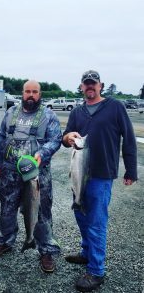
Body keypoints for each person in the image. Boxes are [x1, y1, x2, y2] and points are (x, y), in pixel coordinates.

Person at [62, 70, 138, 292]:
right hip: (79, 174)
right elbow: (66, 138)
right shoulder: (77, 112)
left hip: (101, 175)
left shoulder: (115, 107)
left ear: (100, 85)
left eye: (93, 84)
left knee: (96, 222)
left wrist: (131, 170)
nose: (90, 87)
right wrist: (67, 138)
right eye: (86, 84)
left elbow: (129, 138)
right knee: (80, 214)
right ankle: (87, 253)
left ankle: (96, 271)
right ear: (81, 87)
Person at [0, 80, 62, 273]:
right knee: (7, 206)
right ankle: (4, 240)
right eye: (27, 91)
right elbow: (2, 137)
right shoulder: (11, 113)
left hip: (37, 173)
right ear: (22, 93)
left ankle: (45, 249)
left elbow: (55, 140)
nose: (30, 95)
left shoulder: (49, 115)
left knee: (42, 211)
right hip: (10, 172)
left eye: (34, 92)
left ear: (40, 94)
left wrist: (42, 153)